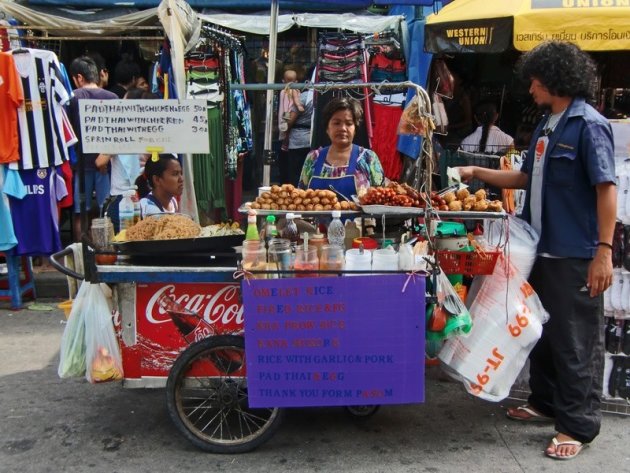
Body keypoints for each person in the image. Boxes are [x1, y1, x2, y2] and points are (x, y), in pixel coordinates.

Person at [456, 41, 616, 461]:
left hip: (575, 254)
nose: (530, 89)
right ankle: (546, 403)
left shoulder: (589, 125)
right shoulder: (549, 123)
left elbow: (606, 189)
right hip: (541, 250)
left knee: (575, 341)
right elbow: (525, 177)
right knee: (543, 333)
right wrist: (477, 171)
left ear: (553, 79)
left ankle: (577, 425)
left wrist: (604, 250)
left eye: (534, 81)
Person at [67, 56, 118, 241]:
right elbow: (118, 133)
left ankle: (82, 252)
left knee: (81, 213)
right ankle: (105, 248)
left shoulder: (72, 98)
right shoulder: (112, 98)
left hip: (80, 165)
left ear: (79, 77)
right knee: (107, 211)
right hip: (106, 164)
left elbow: (67, 132)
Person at [299, 97, 385, 198]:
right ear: (327, 128)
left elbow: (381, 198)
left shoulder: (368, 158)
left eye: (349, 123)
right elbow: (301, 197)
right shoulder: (313, 158)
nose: (343, 128)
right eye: (336, 123)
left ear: (355, 128)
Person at [97, 88, 157, 231]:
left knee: (123, 244)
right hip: (146, 195)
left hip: (121, 199)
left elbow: (100, 161)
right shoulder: (152, 131)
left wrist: (104, 167)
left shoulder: (119, 133)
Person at [284, 87, 314, 186]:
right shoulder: (318, 97)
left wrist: (284, 116)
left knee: (295, 175)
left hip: (298, 141)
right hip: (312, 140)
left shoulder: (303, 98)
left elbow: (288, 122)